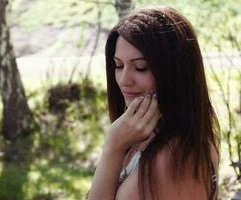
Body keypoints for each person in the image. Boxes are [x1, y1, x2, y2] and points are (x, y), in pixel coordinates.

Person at [88, 5, 220, 200]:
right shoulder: (142, 134)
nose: (124, 80)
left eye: (141, 67)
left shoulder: (174, 158)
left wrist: (112, 149)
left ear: (175, 72)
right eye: (118, 65)